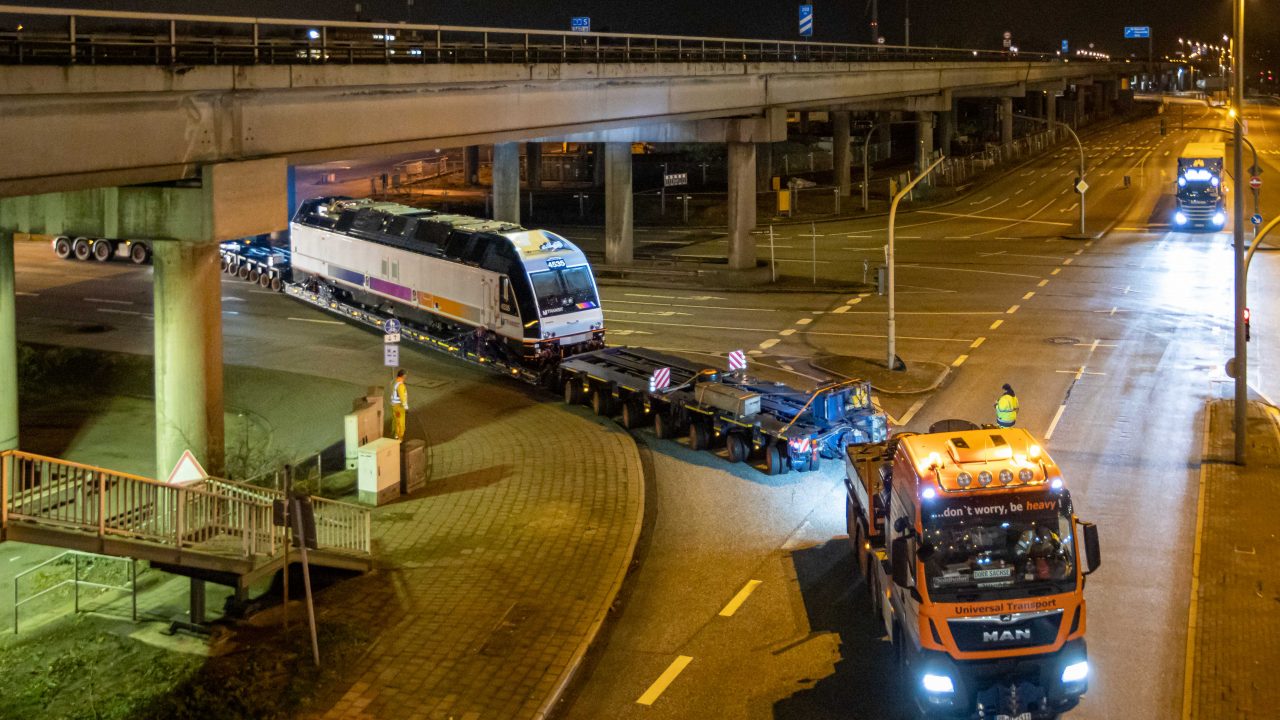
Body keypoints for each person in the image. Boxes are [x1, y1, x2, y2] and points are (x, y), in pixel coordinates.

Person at [391, 369, 409, 440]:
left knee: (396, 421)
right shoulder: (400, 385)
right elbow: (402, 397)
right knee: (401, 423)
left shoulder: (394, 382)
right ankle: (399, 439)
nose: (406, 377)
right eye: (406, 375)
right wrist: (406, 407)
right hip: (399, 406)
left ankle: (396, 435)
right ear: (403, 376)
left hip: (394, 405)